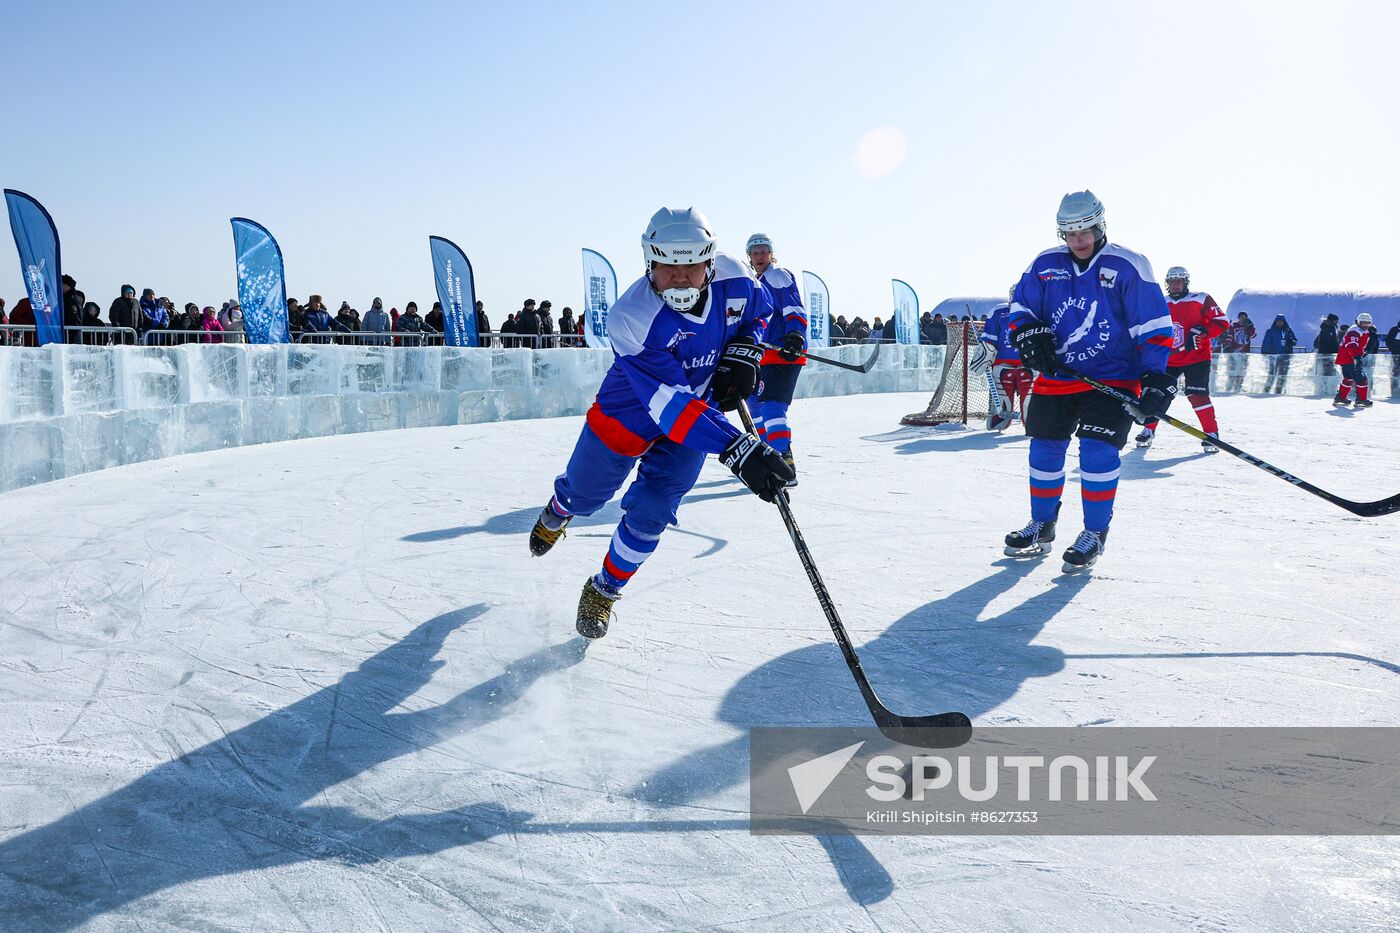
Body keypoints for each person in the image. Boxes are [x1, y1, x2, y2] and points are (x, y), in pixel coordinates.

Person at [527, 207, 789, 639]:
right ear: (650, 262)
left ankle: (605, 589)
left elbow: (759, 315)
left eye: (691, 266)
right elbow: (670, 407)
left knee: (652, 511)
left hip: (697, 418)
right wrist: (738, 448)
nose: (680, 277)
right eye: (668, 266)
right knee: (585, 495)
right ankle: (560, 510)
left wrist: (746, 348)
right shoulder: (631, 316)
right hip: (630, 413)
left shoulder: (738, 278)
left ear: (709, 261)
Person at [1003, 190, 1172, 573]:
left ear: (1101, 225)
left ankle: (1095, 533)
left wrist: (1155, 376)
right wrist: (1029, 333)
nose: (1079, 241)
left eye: (1086, 231)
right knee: (1044, 450)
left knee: (1098, 452)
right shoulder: (1046, 264)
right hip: (1059, 375)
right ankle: (1042, 525)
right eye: (1070, 233)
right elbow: (1021, 307)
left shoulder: (1129, 265)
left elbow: (1153, 326)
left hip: (1113, 378)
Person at [1133, 266, 1228, 451]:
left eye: (1179, 281)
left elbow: (1222, 322)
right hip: (1169, 359)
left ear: (1186, 282)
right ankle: (1148, 430)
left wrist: (1203, 332)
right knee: (1156, 394)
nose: (1175, 285)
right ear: (1167, 284)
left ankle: (1211, 434)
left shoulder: (1200, 299)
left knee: (1197, 395)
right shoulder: (1160, 302)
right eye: (1171, 281)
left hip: (1197, 357)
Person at [745, 233, 807, 480]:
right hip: (763, 355)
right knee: (754, 406)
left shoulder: (776, 275)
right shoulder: (754, 281)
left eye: (763, 251)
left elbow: (794, 308)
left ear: (771, 254)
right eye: (755, 252)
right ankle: (768, 455)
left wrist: (795, 336)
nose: (760, 256)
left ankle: (783, 462)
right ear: (749, 256)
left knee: (771, 408)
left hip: (784, 354)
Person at [979, 286, 1033, 431]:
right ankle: (998, 420)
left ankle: (1034, 423)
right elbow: (990, 338)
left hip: (1029, 362)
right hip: (1002, 362)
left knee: (1030, 393)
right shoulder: (998, 312)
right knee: (1002, 385)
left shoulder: (1037, 311)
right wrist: (985, 355)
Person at [1333, 312, 1374, 408]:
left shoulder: (1363, 331)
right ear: (1358, 322)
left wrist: (1362, 353)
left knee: (1348, 378)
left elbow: (1359, 345)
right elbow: (1351, 345)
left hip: (1347, 359)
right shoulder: (1354, 331)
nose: (1366, 325)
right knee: (1362, 379)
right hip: (1350, 359)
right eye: (1363, 322)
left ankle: (1341, 397)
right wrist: (1357, 357)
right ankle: (1361, 399)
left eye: (1368, 323)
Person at [1260, 314, 1298, 393]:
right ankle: (1267, 389)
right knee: (1272, 373)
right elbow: (1266, 342)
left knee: (1283, 374)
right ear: (1275, 322)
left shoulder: (1288, 331)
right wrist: (1265, 351)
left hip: (1285, 356)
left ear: (1284, 322)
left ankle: (1279, 389)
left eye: (1282, 322)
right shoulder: (1270, 331)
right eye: (1278, 322)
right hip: (1274, 356)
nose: (1280, 323)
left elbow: (1294, 340)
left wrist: (1292, 341)